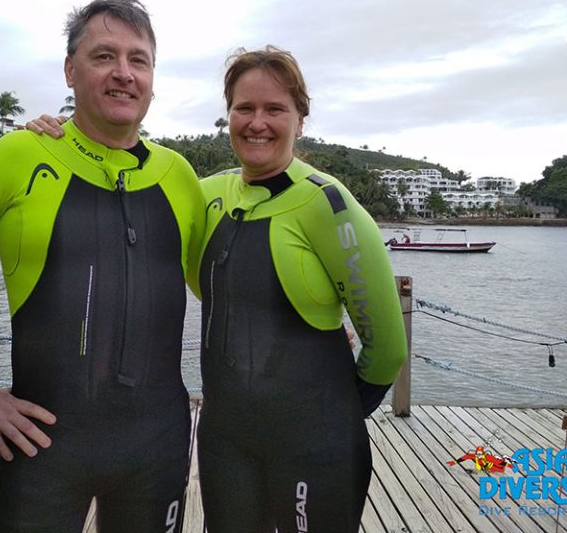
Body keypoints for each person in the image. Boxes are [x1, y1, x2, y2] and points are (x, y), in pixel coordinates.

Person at [28, 46, 407, 532]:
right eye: (244, 108)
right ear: (228, 115)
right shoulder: (204, 193)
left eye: (275, 109)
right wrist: (58, 139)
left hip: (316, 444)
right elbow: (122, 181)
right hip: (226, 442)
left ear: (300, 119)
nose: (257, 123)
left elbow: (388, 348)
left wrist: (335, 415)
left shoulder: (329, 206)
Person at [0, 0, 204, 533]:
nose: (123, 73)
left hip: (158, 450)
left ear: (152, 77)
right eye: (104, 56)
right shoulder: (19, 155)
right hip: (44, 450)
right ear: (71, 70)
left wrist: (318, 323)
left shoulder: (180, 177)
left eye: (138, 59)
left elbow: (221, 286)